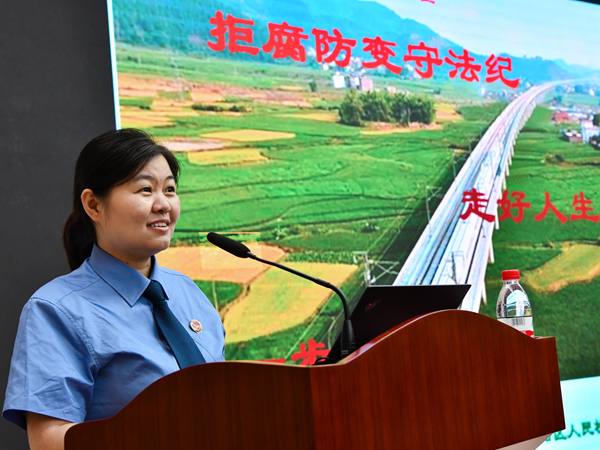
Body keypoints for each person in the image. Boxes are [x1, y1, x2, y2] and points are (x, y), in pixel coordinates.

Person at [2, 129, 225, 450]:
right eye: (146, 189)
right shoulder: (56, 309)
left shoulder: (187, 292)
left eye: (170, 189)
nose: (163, 204)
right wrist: (161, 433)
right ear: (93, 205)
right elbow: (49, 441)